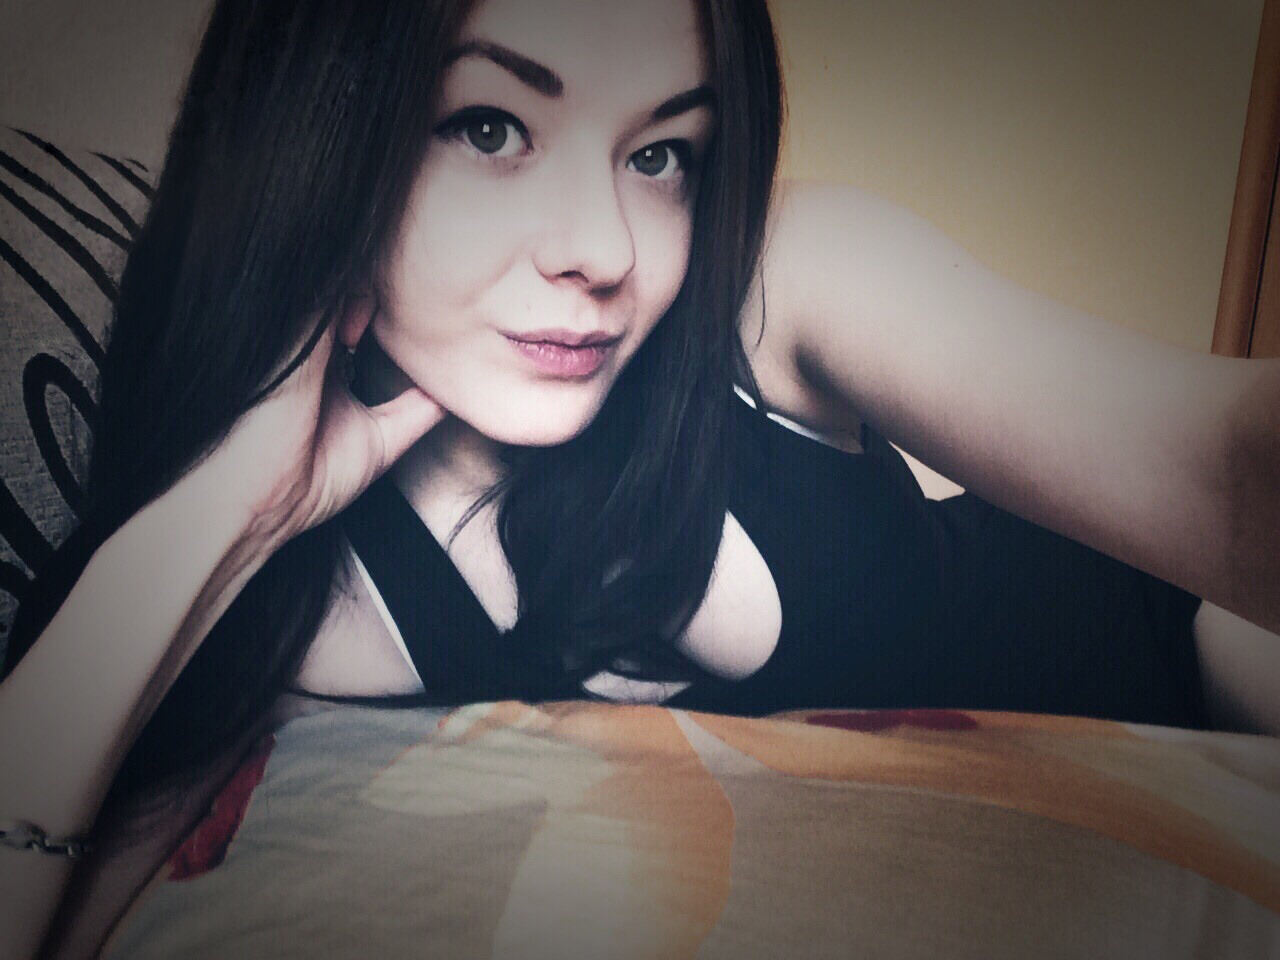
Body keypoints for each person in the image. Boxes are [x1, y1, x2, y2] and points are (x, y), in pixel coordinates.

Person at [1, 0, 1278, 954]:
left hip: (1191, 646)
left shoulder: (783, 282)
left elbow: (1222, 471)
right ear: (311, 135)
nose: (603, 249)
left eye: (660, 152)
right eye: (490, 127)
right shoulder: (259, 589)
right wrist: (224, 512)